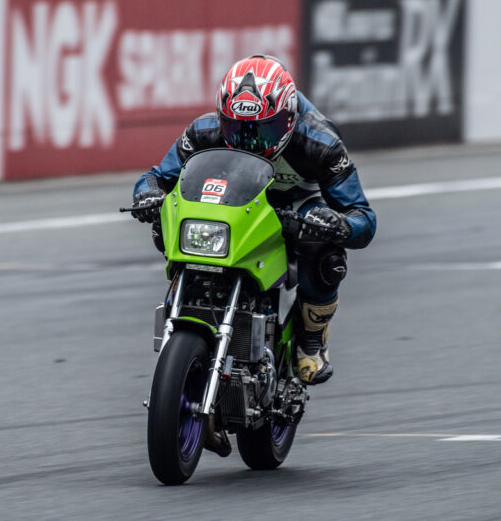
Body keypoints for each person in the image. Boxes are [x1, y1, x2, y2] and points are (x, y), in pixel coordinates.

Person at [131, 55, 376, 385]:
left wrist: (337, 223)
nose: (249, 140)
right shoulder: (203, 131)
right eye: (236, 128)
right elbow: (155, 177)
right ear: (222, 118)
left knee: (325, 254)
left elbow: (363, 217)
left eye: (263, 130)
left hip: (298, 205)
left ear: (288, 119)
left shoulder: (320, 143)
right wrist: (148, 196)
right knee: (167, 222)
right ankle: (185, 304)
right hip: (235, 197)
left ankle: (311, 343)